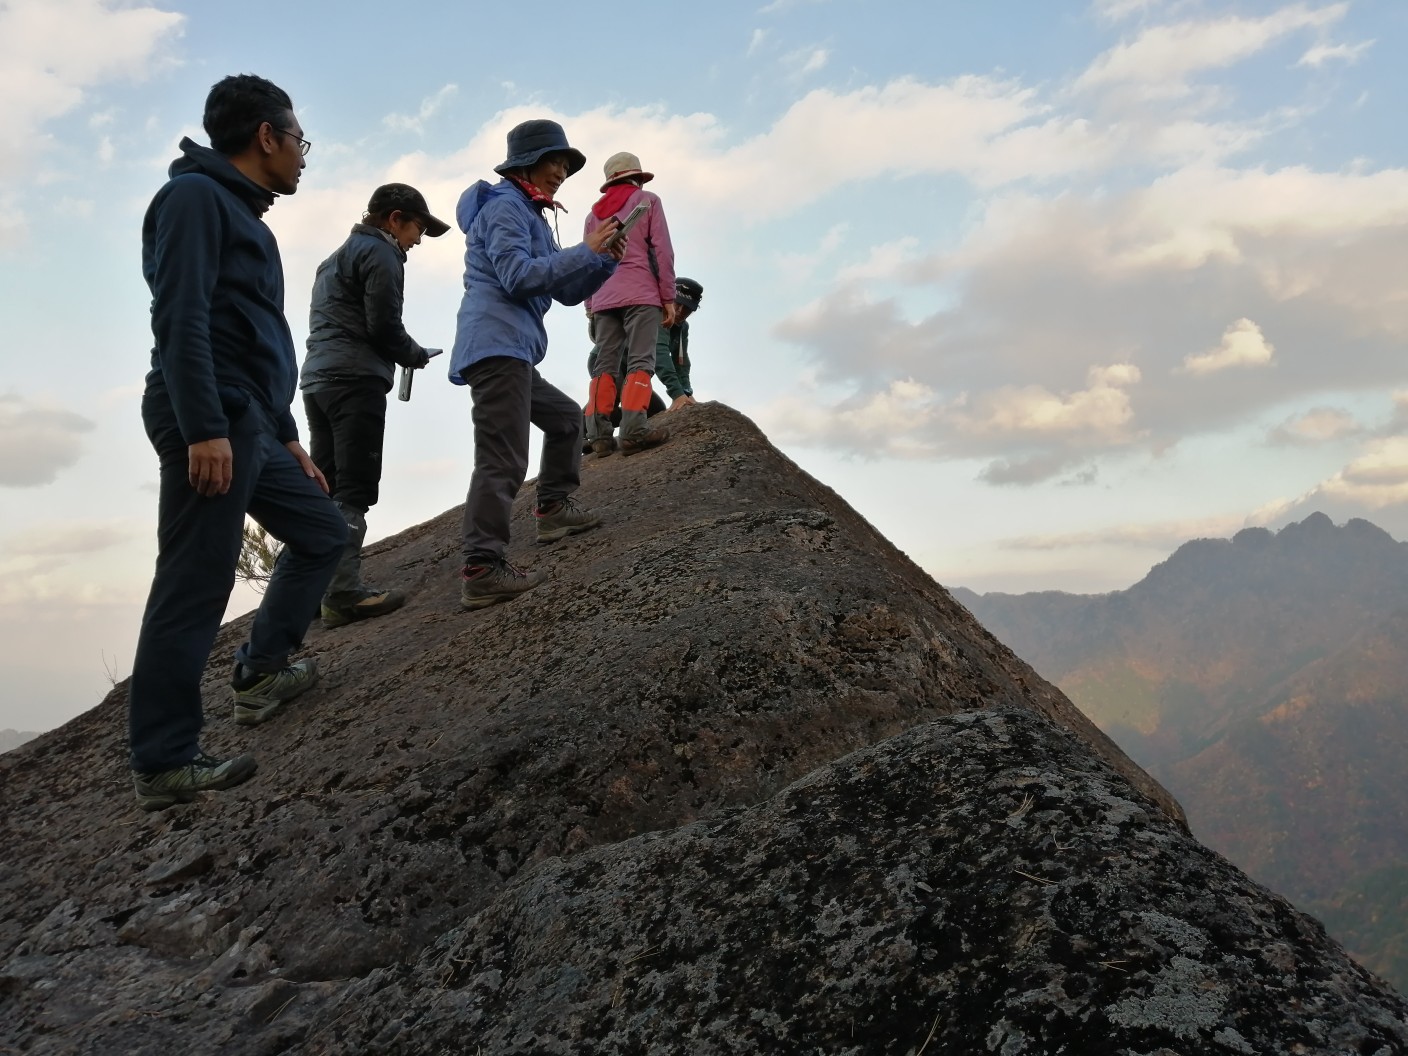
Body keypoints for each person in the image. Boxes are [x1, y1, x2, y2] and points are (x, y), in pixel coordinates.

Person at [127, 74, 348, 812]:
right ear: (266, 136)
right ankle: (164, 761)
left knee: (324, 530)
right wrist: (205, 429)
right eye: (298, 141)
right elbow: (180, 318)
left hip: (249, 421)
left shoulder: (241, 212)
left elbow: (252, 338)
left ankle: (261, 671)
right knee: (195, 584)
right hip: (210, 418)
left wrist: (287, 439)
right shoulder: (194, 199)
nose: (302, 157)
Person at [449, 119, 625, 609]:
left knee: (567, 419)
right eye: (556, 162)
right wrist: (583, 251)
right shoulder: (505, 208)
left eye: (567, 166)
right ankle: (482, 567)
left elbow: (566, 292)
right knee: (503, 458)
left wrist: (604, 259)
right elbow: (518, 276)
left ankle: (552, 509)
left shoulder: (532, 212)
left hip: (515, 350)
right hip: (496, 346)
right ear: (528, 162)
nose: (562, 172)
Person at [301, 183, 449, 628]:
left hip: (317, 380)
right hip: (355, 381)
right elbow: (383, 324)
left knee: (322, 486)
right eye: (417, 228)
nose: (418, 240)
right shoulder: (381, 253)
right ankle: (343, 593)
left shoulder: (333, 259)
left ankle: (309, 591)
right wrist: (414, 354)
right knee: (354, 487)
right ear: (393, 219)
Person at [582, 152, 676, 457]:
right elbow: (662, 251)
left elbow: (585, 262)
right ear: (637, 177)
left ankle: (598, 434)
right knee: (640, 361)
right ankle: (634, 430)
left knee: (604, 365)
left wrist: (589, 305)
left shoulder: (592, 215)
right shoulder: (648, 200)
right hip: (641, 293)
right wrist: (668, 297)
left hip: (603, 297)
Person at [656, 277, 703, 411]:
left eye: (687, 308)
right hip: (615, 368)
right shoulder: (658, 315)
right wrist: (677, 394)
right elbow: (660, 355)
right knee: (635, 412)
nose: (680, 311)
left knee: (655, 409)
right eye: (677, 304)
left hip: (633, 375)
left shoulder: (682, 327)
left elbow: (680, 360)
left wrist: (686, 393)